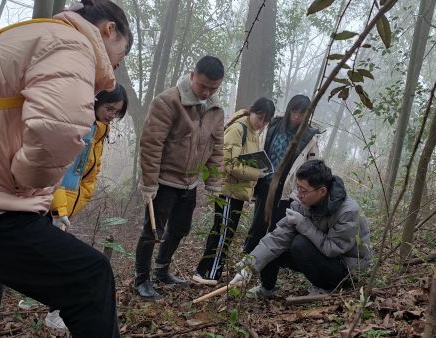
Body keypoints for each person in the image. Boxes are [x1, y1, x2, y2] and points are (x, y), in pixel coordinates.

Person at [0, 0, 132, 336]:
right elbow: (55, 133)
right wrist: (27, 187)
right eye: (122, 54)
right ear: (110, 30)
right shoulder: (71, 43)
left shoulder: (31, 35)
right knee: (90, 277)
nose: (116, 67)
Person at [134, 56, 225, 300]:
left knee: (181, 228)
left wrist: (214, 181)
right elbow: (152, 144)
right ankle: (141, 279)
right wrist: (149, 182)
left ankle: (162, 270)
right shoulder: (168, 101)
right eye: (203, 85)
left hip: (190, 182)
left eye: (213, 88)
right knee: (153, 231)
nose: (207, 92)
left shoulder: (216, 109)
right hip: (164, 181)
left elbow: (216, 147)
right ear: (192, 74)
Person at [42, 84, 128, 331]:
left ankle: (50, 306)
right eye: (109, 108)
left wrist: (79, 199)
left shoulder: (100, 130)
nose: (112, 114)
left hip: (66, 203)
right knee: (58, 260)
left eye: (117, 111)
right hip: (49, 200)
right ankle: (53, 310)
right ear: (95, 102)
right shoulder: (78, 125)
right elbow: (59, 167)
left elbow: (90, 171)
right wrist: (59, 209)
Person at [230, 160, 372, 298]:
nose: (299, 194)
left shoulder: (347, 211)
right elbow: (278, 237)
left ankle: (326, 288)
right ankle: (267, 289)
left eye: (303, 190)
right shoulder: (302, 203)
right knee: (275, 244)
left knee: (300, 244)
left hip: (346, 269)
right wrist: (249, 266)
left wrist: (303, 224)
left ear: (322, 191)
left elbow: (333, 249)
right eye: (298, 187)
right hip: (320, 256)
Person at [193, 97, 276, 286]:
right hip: (229, 190)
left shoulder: (253, 132)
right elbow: (229, 163)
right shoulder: (239, 129)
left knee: (221, 231)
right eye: (259, 117)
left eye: (265, 120)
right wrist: (257, 173)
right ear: (252, 110)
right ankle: (212, 275)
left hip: (237, 191)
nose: (261, 123)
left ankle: (202, 270)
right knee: (223, 233)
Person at [243, 94, 321, 255]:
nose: (297, 117)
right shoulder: (273, 125)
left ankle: (267, 262)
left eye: (301, 114)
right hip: (266, 183)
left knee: (277, 228)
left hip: (287, 190)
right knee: (258, 223)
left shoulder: (309, 137)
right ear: (289, 110)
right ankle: (248, 257)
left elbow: (312, 165)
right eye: (294, 112)